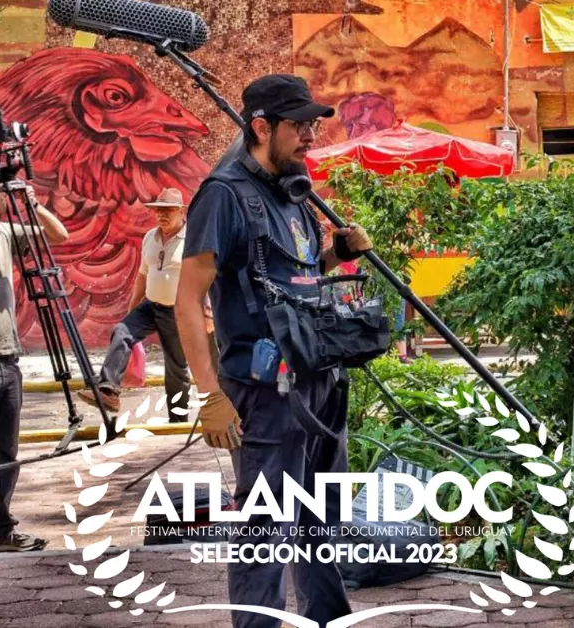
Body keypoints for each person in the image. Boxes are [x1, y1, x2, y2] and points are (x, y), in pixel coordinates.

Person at [175, 74, 374, 628]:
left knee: (321, 519)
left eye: (313, 124)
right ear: (261, 127)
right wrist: (209, 395)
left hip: (318, 380)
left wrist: (336, 255)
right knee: (267, 526)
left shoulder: (292, 191)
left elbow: (293, 277)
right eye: (299, 125)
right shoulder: (223, 195)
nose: (310, 135)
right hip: (264, 390)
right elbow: (187, 300)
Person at [79, 188, 214, 421]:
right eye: (158, 210)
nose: (162, 215)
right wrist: (132, 308)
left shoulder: (192, 240)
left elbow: (205, 278)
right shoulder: (150, 237)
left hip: (178, 312)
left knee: (176, 368)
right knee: (122, 331)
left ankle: (178, 420)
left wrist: (207, 313)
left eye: (168, 210)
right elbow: (142, 275)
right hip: (150, 306)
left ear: (182, 212)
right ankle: (109, 391)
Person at [0, 188, 67, 551]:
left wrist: (33, 203)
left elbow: (59, 235)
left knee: (6, 454)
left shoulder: (5, 232)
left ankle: (2, 530)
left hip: (7, 358)